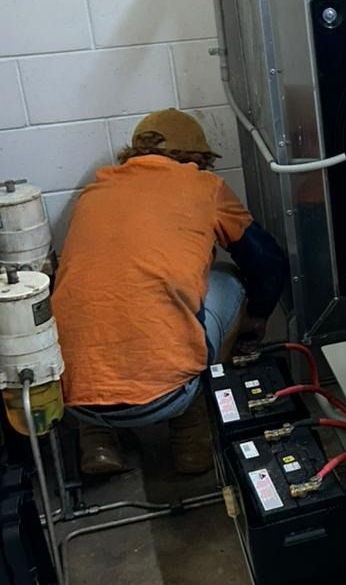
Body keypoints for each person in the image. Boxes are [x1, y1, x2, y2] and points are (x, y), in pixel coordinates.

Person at [53, 110, 288, 478]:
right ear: (197, 160)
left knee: (99, 297)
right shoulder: (203, 186)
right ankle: (190, 432)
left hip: (69, 397)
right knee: (228, 280)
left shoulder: (94, 192)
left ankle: (97, 440)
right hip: (164, 395)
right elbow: (267, 261)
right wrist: (257, 318)